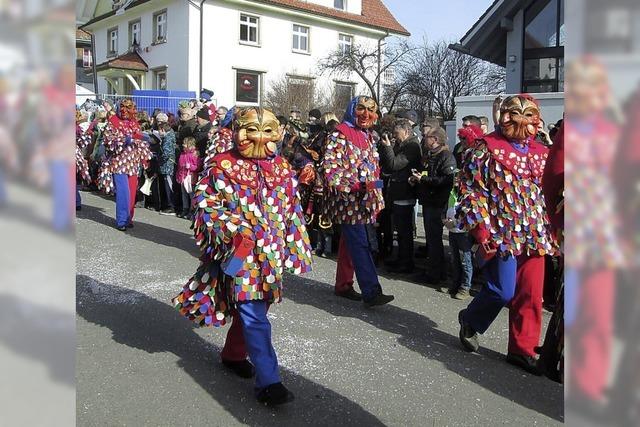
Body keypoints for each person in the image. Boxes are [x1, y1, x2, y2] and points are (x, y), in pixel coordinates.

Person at [172, 107, 312, 406]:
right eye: (251, 129)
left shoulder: (284, 168)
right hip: (239, 252)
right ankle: (269, 382)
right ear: (237, 130)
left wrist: (294, 246)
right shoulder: (222, 165)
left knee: (257, 306)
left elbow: (292, 210)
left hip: (270, 255)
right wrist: (232, 229)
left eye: (267, 130)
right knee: (252, 310)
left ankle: (233, 354)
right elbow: (205, 204)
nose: (259, 136)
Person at [456, 94, 558, 375]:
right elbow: (471, 190)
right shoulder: (484, 148)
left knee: (531, 294)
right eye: (513, 113)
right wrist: (481, 227)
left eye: (528, 115)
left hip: (536, 233)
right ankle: (471, 319)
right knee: (502, 289)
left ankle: (522, 349)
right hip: (501, 233)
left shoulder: (542, 153)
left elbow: (553, 193)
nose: (520, 120)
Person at [322, 95, 393, 306]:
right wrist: (354, 185)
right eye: (361, 108)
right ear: (352, 109)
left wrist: (376, 190)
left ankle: (343, 284)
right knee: (361, 244)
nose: (366, 114)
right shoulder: (340, 133)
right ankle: (371, 291)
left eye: (371, 110)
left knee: (349, 244)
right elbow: (330, 169)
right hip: (349, 201)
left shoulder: (370, 136)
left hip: (366, 200)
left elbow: (373, 169)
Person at [97, 98, 153, 231]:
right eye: (123, 109)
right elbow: (108, 142)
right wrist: (124, 140)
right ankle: (121, 220)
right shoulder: (113, 122)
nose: (125, 112)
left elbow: (140, 140)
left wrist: (145, 144)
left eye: (128, 110)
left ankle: (128, 218)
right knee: (123, 191)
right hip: (119, 163)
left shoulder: (134, 123)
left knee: (132, 191)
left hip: (133, 163)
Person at [410, 126, 456, 284]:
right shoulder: (431, 155)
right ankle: (434, 271)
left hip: (437, 203)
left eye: (427, 137)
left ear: (435, 139)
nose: (424, 140)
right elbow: (429, 174)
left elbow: (447, 180)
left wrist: (423, 180)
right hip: (429, 202)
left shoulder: (446, 156)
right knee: (431, 238)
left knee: (435, 239)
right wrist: (418, 178)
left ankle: (436, 274)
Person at [379, 118, 422, 274]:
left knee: (404, 232)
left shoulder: (412, 146)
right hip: (397, 192)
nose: (395, 137)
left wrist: (389, 147)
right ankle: (401, 259)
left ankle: (406, 263)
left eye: (397, 134)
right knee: (400, 232)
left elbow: (394, 164)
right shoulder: (402, 144)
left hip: (405, 193)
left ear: (406, 131)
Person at [176, 136, 201, 219]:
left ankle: (192, 211)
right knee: (184, 194)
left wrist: (190, 166)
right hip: (182, 177)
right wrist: (178, 176)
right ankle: (185, 209)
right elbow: (179, 167)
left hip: (190, 177)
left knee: (191, 194)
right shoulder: (183, 154)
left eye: (185, 144)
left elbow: (198, 167)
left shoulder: (194, 154)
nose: (183, 145)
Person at [158, 121, 177, 216]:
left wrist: (159, 157)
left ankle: (171, 206)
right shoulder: (169, 137)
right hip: (167, 166)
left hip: (168, 166)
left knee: (169, 186)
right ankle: (169, 205)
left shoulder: (168, 139)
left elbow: (167, 153)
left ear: (162, 129)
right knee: (168, 185)